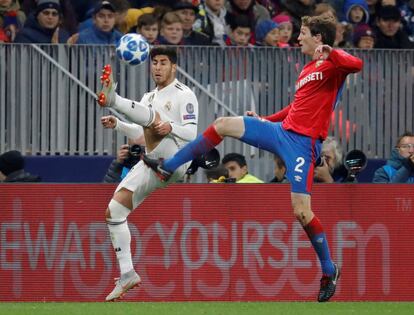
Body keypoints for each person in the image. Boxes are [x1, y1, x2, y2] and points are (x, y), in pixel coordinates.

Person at [143, 14, 363, 302]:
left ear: (318, 38)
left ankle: (328, 269)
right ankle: (169, 168)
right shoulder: (307, 67)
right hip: (280, 131)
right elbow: (294, 108)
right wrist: (264, 119)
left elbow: (357, 64)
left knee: (301, 211)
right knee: (222, 124)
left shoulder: (333, 65)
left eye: (304, 33)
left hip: (303, 145)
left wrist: (332, 51)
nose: (298, 38)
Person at [96, 46, 199, 301]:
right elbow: (142, 134)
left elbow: (191, 133)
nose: (157, 67)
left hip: (177, 159)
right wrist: (118, 124)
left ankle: (115, 100)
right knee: (114, 211)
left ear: (173, 67)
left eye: (163, 63)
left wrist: (170, 126)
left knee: (154, 119)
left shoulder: (184, 94)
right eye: (154, 63)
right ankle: (128, 273)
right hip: (153, 160)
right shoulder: (149, 96)